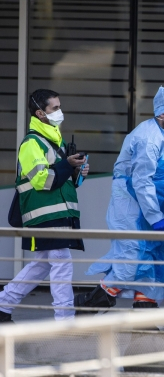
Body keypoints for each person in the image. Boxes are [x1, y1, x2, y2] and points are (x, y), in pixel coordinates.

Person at [75, 86, 164, 311]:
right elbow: (142, 182)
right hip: (131, 204)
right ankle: (88, 305)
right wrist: (156, 217)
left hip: (152, 203)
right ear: (163, 113)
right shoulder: (148, 138)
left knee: (154, 260)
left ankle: (144, 318)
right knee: (131, 258)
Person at [0, 89, 88, 322]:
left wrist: (77, 172)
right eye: (55, 108)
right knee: (61, 262)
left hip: (55, 215)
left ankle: (3, 306)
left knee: (41, 265)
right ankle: (65, 321)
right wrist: (67, 165)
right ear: (40, 113)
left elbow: (60, 182)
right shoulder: (32, 143)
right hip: (44, 216)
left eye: (60, 107)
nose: (60, 112)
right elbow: (44, 181)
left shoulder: (51, 141)